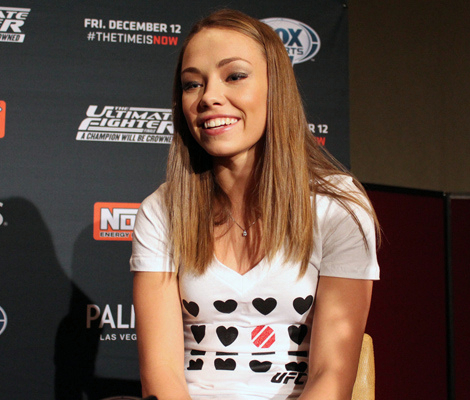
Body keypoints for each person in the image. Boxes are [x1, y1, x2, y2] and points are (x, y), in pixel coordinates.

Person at [130, 9, 380, 400]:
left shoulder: (338, 209)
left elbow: (330, 376)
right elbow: (161, 375)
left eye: (234, 76)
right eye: (192, 84)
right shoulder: (161, 211)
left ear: (275, 88)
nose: (209, 96)